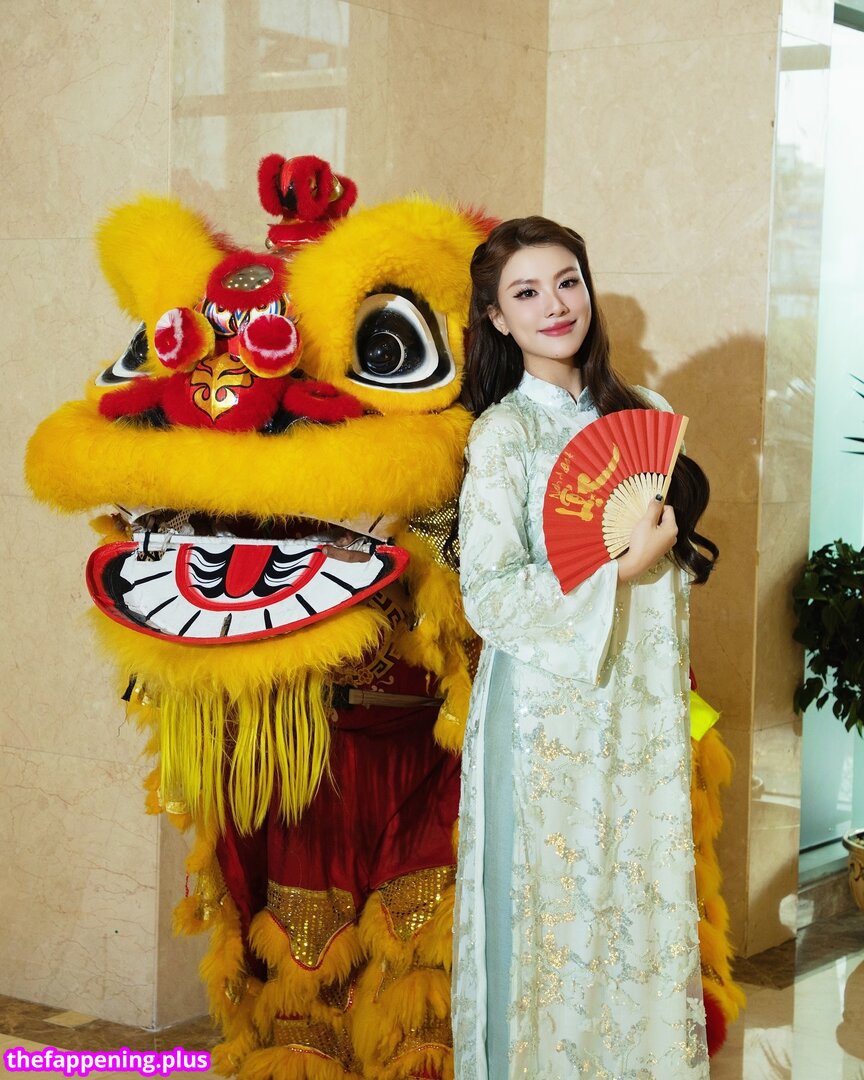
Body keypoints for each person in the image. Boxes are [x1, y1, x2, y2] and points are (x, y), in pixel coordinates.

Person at [452, 216, 718, 1079]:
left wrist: (655, 567)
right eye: (526, 293)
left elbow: (665, 581)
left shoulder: (645, 416)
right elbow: (490, 593)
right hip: (544, 721)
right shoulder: (505, 435)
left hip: (636, 708)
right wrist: (620, 568)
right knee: (553, 915)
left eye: (567, 281)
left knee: (637, 901)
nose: (555, 305)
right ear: (498, 319)